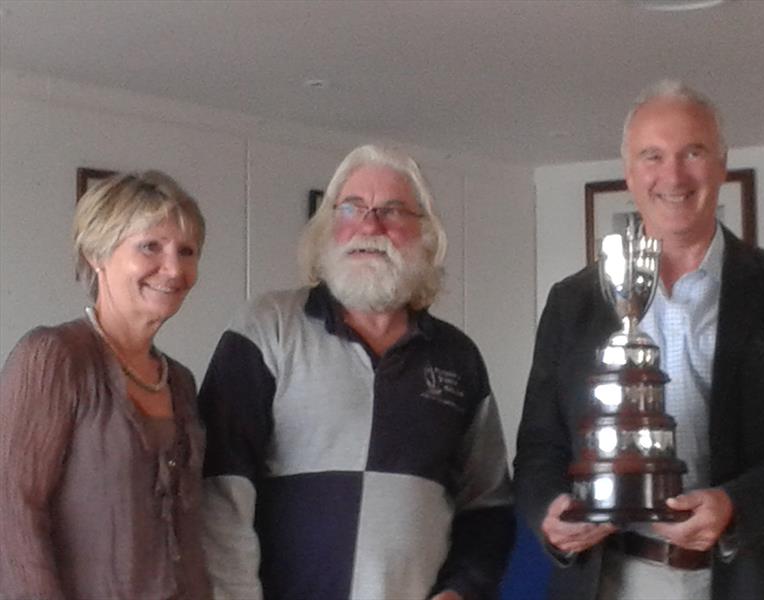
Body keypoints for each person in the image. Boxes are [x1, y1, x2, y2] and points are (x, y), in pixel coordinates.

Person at [514, 79, 764, 600]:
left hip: (751, 576)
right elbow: (539, 444)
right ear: (629, 172)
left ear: (720, 163)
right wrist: (550, 515)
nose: (673, 175)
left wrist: (737, 506)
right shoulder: (573, 301)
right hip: (611, 579)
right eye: (652, 156)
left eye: (693, 152)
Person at [199, 144, 515, 600]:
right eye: (352, 208)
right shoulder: (267, 328)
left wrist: (461, 593)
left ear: (425, 234)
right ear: (328, 225)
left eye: (392, 211)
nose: (370, 226)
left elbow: (488, 507)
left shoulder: (457, 356)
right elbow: (219, 493)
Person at [0, 171, 211, 599]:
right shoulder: (54, 357)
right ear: (98, 254)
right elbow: (12, 514)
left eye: (186, 251)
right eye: (150, 246)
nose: (174, 269)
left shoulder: (180, 382)